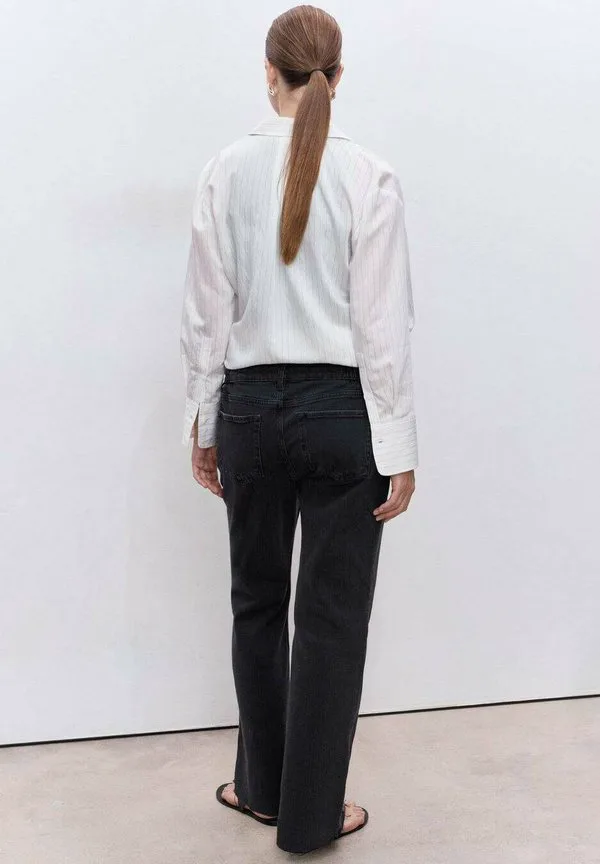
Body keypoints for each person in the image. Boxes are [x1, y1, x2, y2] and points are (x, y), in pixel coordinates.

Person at [180, 4, 418, 854]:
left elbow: (206, 315)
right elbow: (383, 328)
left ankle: (261, 790)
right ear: (337, 77)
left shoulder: (225, 170)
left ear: (268, 72)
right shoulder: (370, 176)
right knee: (331, 618)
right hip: (341, 416)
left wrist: (204, 421)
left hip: (249, 411)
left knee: (255, 602)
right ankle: (311, 816)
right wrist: (398, 445)